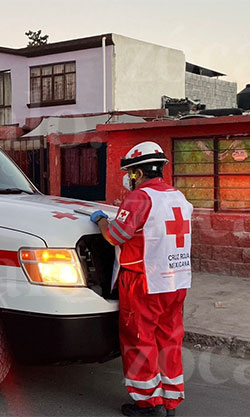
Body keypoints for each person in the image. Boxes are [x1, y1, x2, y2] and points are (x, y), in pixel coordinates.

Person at [90, 141, 193, 417]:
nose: (128, 178)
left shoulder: (139, 198)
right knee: (169, 339)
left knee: (139, 340)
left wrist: (101, 221)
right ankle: (170, 400)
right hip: (176, 281)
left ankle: (148, 404)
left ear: (138, 172)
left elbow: (115, 236)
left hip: (143, 281)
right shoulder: (178, 197)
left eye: (130, 173)